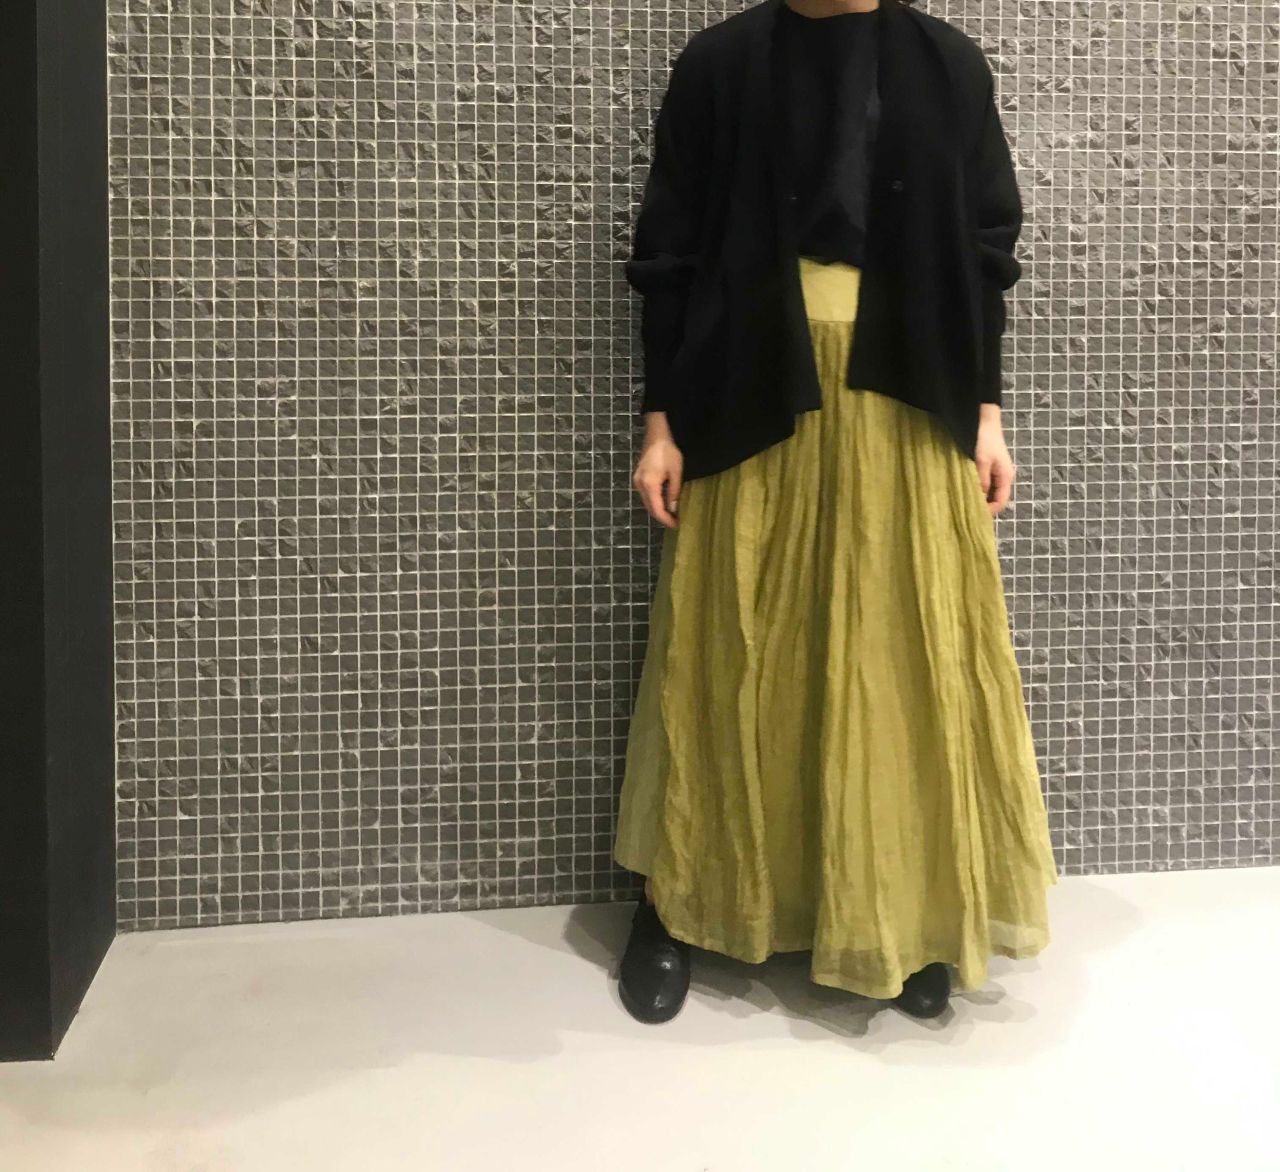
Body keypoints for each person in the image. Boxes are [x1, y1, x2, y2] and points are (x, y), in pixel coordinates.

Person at [613, 0, 1060, 1025]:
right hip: (750, 387)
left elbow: (986, 249)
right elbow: (667, 252)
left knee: (896, 649)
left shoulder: (946, 64)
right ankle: (679, 902)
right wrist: (661, 423)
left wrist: (988, 414)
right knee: (732, 645)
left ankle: (901, 909)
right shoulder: (720, 63)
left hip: (910, 392)